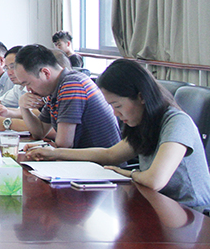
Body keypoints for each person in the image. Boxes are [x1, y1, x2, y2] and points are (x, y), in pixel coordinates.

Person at [27, 59, 210, 213]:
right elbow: (110, 154)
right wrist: (54, 153)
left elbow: (154, 181)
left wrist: (126, 173)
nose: (115, 113)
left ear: (141, 97)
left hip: (191, 214)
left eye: (118, 106)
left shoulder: (177, 122)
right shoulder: (145, 122)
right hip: (157, 204)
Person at [13, 44, 120, 148]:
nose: (28, 89)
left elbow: (64, 144)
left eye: (28, 84)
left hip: (101, 160)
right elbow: (40, 132)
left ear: (45, 73)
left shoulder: (72, 85)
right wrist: (24, 107)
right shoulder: (56, 89)